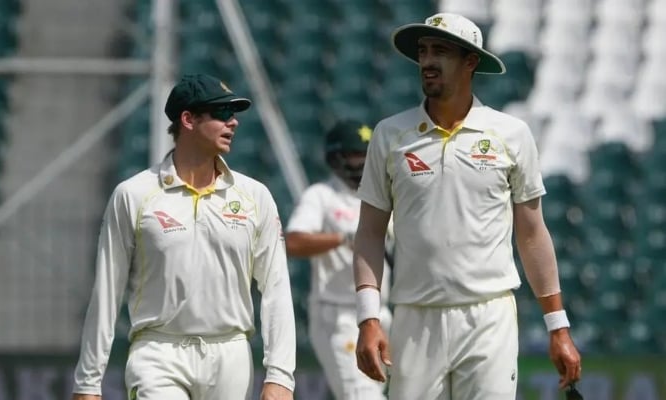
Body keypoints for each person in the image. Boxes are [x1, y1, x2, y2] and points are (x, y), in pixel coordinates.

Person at [351, 13, 582, 400]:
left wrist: (557, 327)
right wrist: (367, 317)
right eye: (423, 51)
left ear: (471, 61)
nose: (426, 61)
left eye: (440, 51)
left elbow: (532, 233)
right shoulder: (390, 134)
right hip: (415, 315)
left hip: (489, 316)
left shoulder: (512, 134)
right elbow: (370, 232)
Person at [71, 73, 296, 400]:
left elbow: (276, 287)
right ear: (188, 119)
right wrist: (88, 383)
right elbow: (107, 290)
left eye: (233, 114)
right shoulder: (133, 194)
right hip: (158, 352)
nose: (233, 122)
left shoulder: (255, 196)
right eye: (221, 113)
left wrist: (280, 376)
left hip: (231, 354)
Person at [284, 120, 393, 400]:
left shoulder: (384, 195)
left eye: (369, 155)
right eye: (358, 155)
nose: (364, 163)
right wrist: (343, 238)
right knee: (362, 395)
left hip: (381, 313)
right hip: (338, 315)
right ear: (337, 158)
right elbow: (293, 241)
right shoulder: (321, 196)